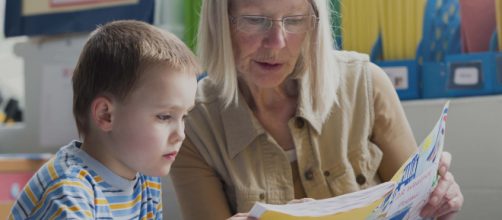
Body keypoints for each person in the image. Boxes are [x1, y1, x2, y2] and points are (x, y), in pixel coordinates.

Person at [171, 0, 464, 219]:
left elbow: (420, 205)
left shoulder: (366, 83)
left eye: (295, 20)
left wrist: (440, 200)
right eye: (255, 20)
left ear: (314, 23)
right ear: (220, 22)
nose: (277, 42)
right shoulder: (191, 121)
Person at [8, 20, 199, 219]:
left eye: (184, 116)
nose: (180, 135)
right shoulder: (68, 193)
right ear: (105, 115)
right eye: (165, 116)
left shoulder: (145, 176)